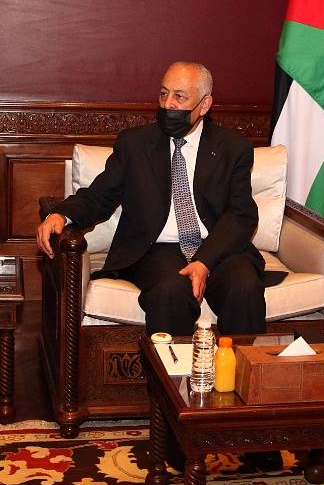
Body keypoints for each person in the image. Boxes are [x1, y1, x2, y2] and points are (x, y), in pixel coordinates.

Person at [36, 61, 273, 336]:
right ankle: (170, 366)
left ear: (205, 105)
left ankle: (242, 364)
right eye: (163, 94)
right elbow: (100, 195)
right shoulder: (135, 144)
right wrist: (61, 214)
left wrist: (204, 262)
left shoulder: (233, 148)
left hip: (218, 248)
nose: (168, 104)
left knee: (244, 287)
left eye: (179, 96)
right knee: (170, 290)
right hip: (157, 250)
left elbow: (241, 215)